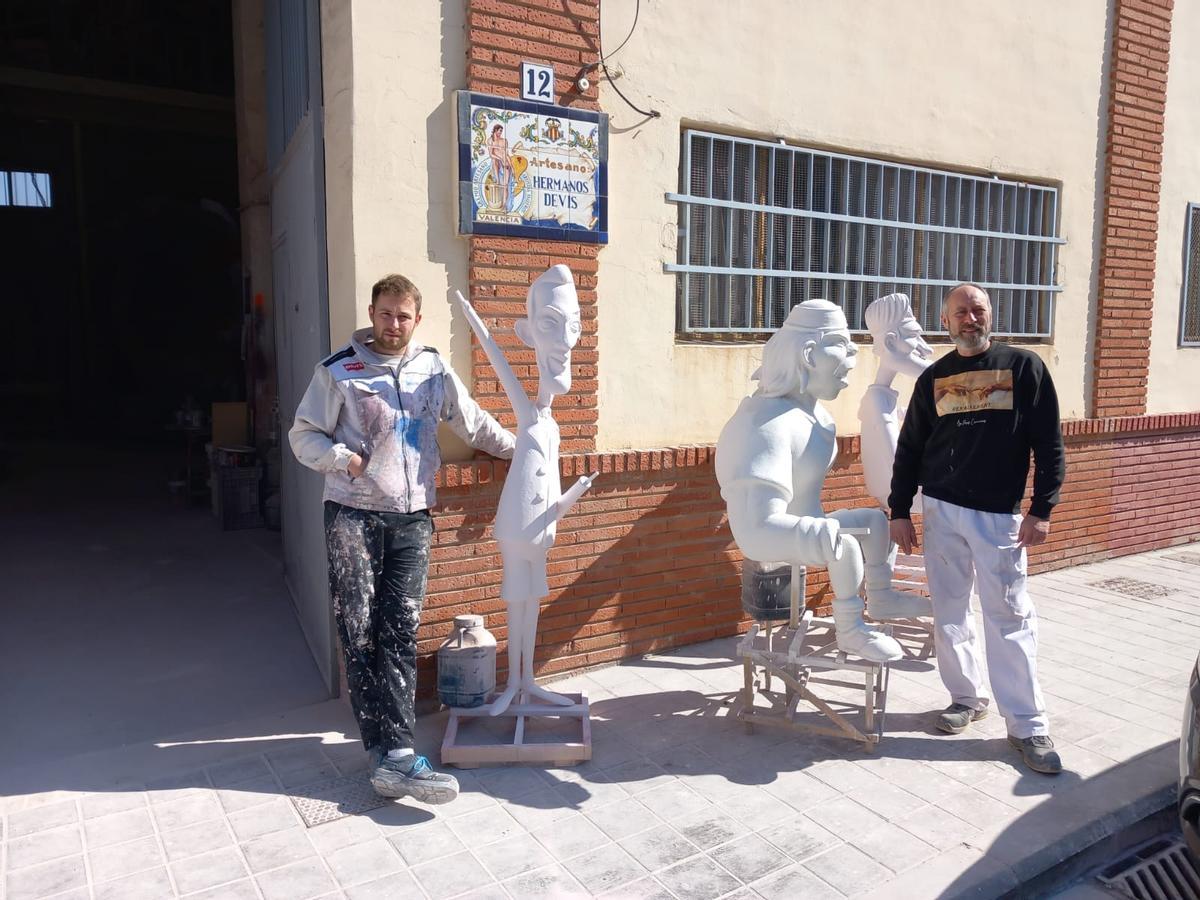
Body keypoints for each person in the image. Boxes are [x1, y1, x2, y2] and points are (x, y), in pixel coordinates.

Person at [289, 274, 515, 803]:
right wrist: (342, 459)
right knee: (360, 631)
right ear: (372, 312)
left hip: (413, 519)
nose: (394, 324)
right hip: (352, 516)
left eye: (404, 316)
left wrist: (524, 449)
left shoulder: (432, 369)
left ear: (418, 319)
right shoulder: (338, 371)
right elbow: (304, 435)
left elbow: (474, 424)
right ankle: (389, 754)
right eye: (385, 313)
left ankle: (392, 755)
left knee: (400, 629)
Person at [888, 283, 1067, 774]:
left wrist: (1042, 508)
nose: (970, 318)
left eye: (978, 309)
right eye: (960, 312)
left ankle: (1027, 725)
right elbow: (910, 448)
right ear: (945, 322)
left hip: (998, 516)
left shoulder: (1022, 367)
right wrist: (900, 510)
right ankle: (966, 697)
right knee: (948, 610)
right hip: (942, 509)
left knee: (1008, 615)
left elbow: (1048, 443)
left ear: (990, 315)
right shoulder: (935, 378)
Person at [715, 299, 927, 663]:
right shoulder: (765, 426)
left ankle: (880, 596)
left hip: (807, 524)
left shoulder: (819, 419)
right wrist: (825, 537)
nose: (854, 357)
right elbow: (755, 529)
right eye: (843, 346)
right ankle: (849, 628)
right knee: (840, 542)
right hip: (765, 534)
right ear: (810, 354)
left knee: (876, 522)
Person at [455, 265, 598, 716]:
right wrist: (473, 320)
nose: (566, 340)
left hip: (542, 530)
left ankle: (528, 680)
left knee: (532, 603)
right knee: (516, 603)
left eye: (573, 327)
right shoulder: (531, 416)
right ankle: (512, 683)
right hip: (517, 527)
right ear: (530, 332)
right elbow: (498, 358)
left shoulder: (551, 424)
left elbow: (553, 492)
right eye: (553, 325)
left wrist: (577, 490)